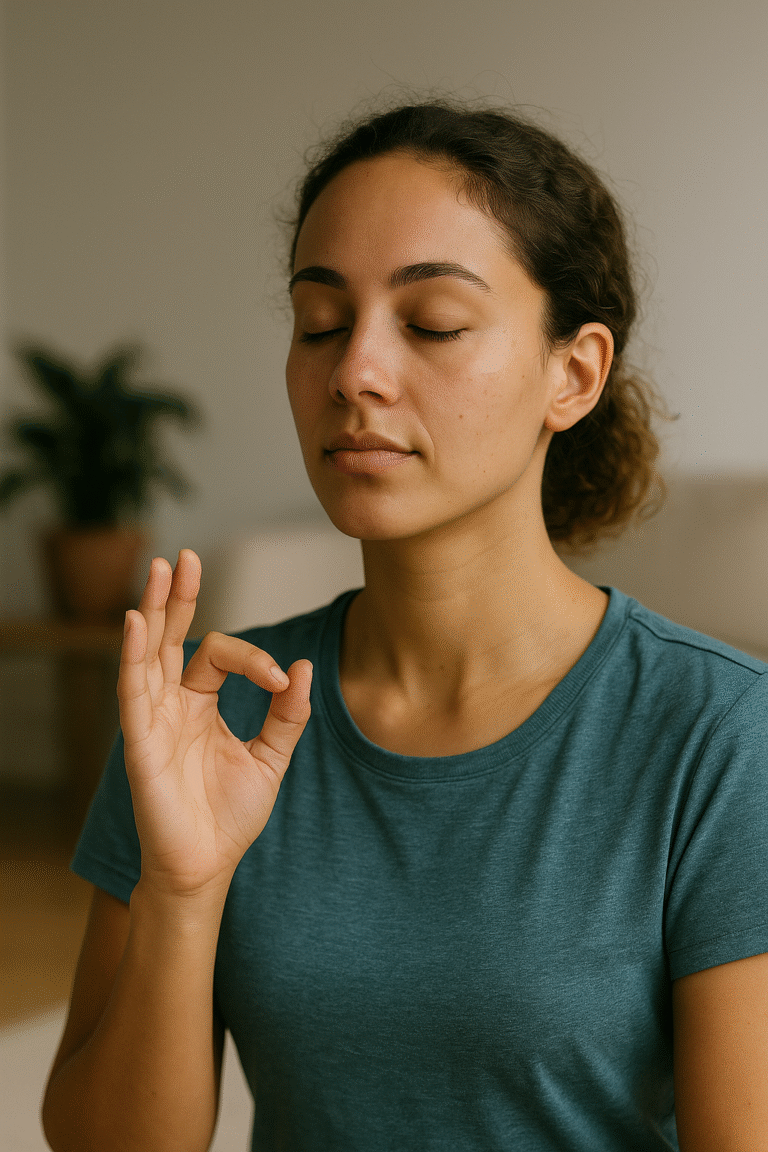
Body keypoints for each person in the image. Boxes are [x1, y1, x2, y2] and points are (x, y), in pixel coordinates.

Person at [42, 99, 768, 1152]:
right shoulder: (214, 711)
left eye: (431, 324)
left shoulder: (722, 735)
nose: (354, 374)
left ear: (574, 374)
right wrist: (180, 890)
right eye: (320, 324)